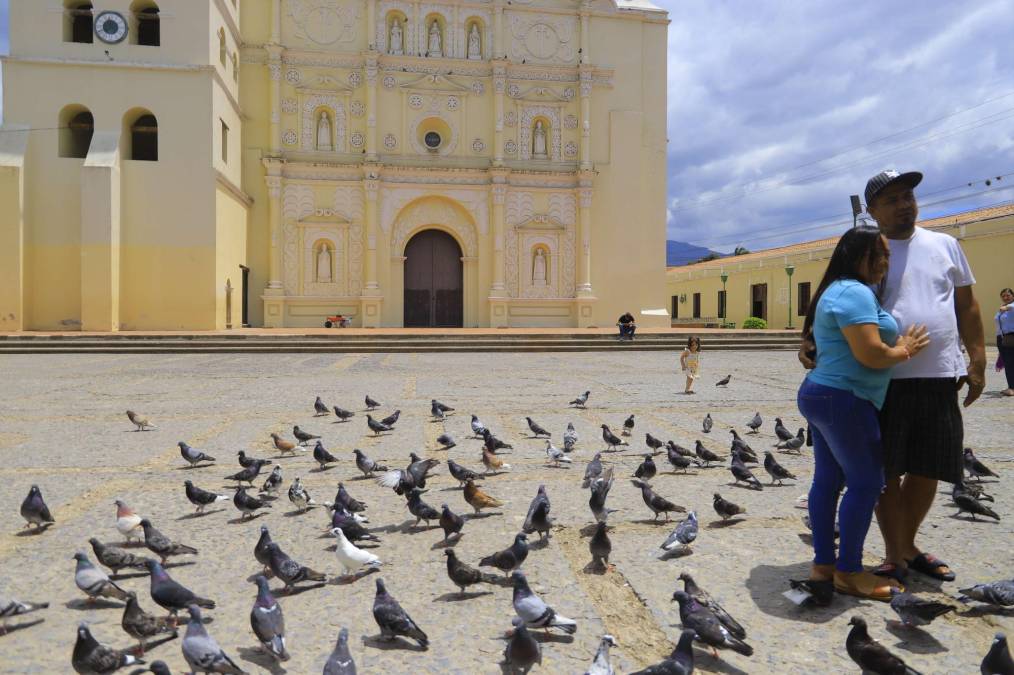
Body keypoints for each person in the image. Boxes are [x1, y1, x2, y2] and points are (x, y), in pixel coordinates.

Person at [799, 169, 985, 585]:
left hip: (939, 375)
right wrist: (811, 341)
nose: (905, 204)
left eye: (909, 195)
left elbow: (968, 305)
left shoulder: (946, 245)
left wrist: (976, 360)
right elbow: (831, 299)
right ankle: (891, 552)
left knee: (928, 466)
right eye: (893, 198)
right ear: (872, 211)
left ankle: (906, 545)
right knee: (885, 472)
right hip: (881, 381)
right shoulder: (867, 251)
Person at [797, 225, 929, 601]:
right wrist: (905, 348)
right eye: (879, 254)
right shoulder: (853, 292)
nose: (885, 263)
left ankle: (824, 564)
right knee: (868, 482)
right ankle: (849, 572)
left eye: (888, 255)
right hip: (845, 398)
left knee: (828, 479)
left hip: (823, 394)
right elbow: (870, 353)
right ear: (856, 256)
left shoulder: (840, 290)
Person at [996, 287, 1014, 396]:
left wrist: (1007, 307)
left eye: (1008, 295)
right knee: (1008, 363)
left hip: (1011, 337)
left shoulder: (1010, 307)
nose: (1005, 297)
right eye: (1003, 296)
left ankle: (1012, 388)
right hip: (1003, 338)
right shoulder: (1002, 308)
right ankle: (1011, 386)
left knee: (1010, 363)